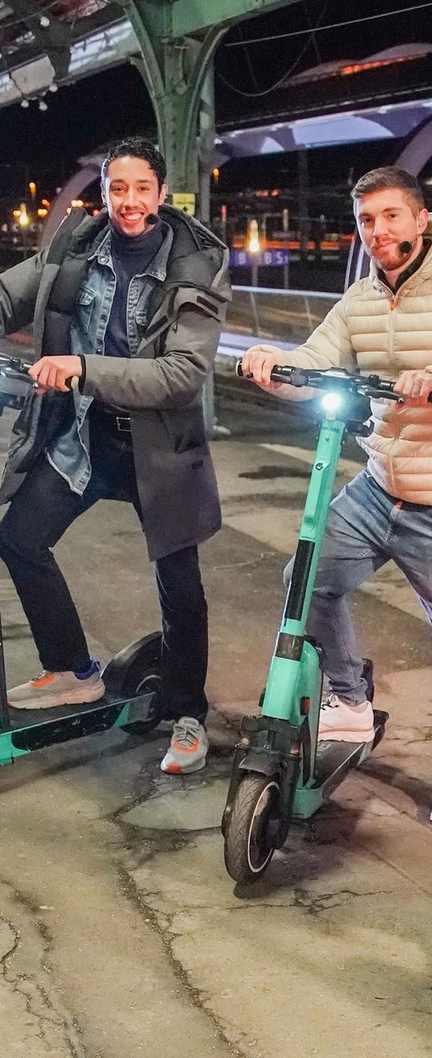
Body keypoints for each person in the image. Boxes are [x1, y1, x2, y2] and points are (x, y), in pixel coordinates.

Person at [241, 167, 432, 825]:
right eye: (366, 220)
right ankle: (350, 698)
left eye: (390, 216)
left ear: (420, 218)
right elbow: (317, 360)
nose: (378, 231)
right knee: (307, 580)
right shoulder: (361, 298)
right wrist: (273, 367)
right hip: (381, 485)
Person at [0, 136, 229, 774]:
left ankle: (187, 713)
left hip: (158, 449)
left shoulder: (195, 265)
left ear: (161, 193)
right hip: (85, 437)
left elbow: (181, 375)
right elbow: (9, 296)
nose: (129, 201)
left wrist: (81, 367)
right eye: (117, 188)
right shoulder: (75, 247)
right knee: (19, 537)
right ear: (104, 192)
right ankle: (73, 670)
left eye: (141, 188)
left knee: (179, 584)